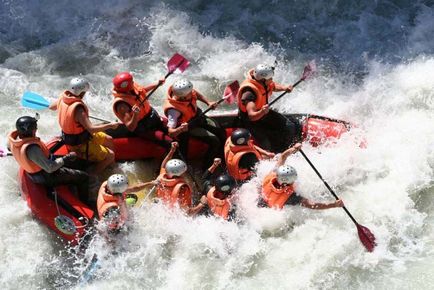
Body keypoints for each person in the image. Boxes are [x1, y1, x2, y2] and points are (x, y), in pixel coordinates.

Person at [8, 115, 90, 202]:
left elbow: (11, 149)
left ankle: (73, 180)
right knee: (84, 177)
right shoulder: (32, 149)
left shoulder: (13, 140)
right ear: (33, 130)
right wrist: (67, 158)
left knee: (78, 162)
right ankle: (85, 202)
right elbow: (50, 168)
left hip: (43, 165)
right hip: (45, 175)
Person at [50, 77, 119, 174]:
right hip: (79, 144)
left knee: (109, 139)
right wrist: (110, 125)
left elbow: (51, 107)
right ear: (81, 93)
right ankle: (92, 177)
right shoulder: (79, 110)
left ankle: (111, 165)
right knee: (110, 155)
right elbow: (91, 129)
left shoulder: (63, 98)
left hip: (83, 135)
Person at [163, 78, 226, 169]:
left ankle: (222, 158)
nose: (192, 93)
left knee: (221, 131)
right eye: (190, 93)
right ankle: (206, 167)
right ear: (182, 97)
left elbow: (196, 94)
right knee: (214, 141)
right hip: (190, 126)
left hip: (198, 117)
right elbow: (171, 132)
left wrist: (208, 102)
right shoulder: (173, 111)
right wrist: (180, 129)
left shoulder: (187, 93)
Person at [237, 64, 301, 153]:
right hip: (251, 120)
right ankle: (275, 154)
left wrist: (284, 88)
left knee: (289, 126)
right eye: (270, 78)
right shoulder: (249, 92)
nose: (272, 80)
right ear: (263, 80)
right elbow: (251, 116)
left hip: (263, 112)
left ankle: (286, 150)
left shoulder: (262, 82)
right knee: (265, 144)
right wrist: (262, 111)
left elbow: (273, 86)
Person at [260, 143, 344, 210]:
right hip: (269, 211)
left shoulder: (272, 175)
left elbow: (283, 156)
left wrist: (294, 149)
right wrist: (334, 205)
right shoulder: (290, 197)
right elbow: (312, 205)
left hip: (259, 202)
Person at [112, 72, 172, 148]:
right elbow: (131, 127)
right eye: (131, 82)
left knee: (174, 126)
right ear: (126, 86)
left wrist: (157, 84)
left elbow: (142, 91)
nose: (133, 82)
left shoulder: (130, 88)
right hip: (144, 127)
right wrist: (135, 114)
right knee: (170, 143)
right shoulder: (122, 105)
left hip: (153, 117)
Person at [153, 142, 207, 216]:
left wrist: (172, 151)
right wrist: (201, 204)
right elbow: (187, 213)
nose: (185, 173)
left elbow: (163, 164)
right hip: (174, 216)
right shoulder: (182, 189)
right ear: (180, 174)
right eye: (184, 172)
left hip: (162, 210)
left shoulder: (162, 177)